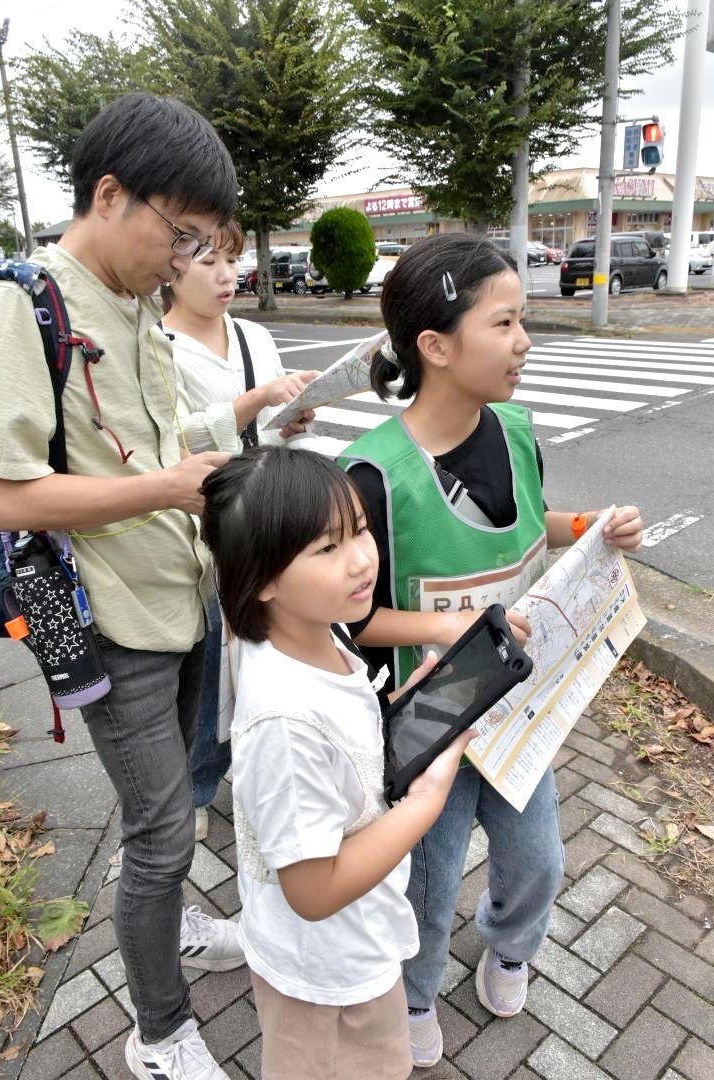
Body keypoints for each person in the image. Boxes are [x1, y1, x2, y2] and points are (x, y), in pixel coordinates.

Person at [338, 233, 644, 1068]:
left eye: (524, 319)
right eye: (505, 322)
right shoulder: (369, 479)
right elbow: (346, 621)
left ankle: (508, 950)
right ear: (435, 346)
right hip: (431, 723)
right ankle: (416, 992)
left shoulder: (516, 431)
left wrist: (590, 529)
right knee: (428, 888)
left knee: (539, 860)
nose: (525, 341)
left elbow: (531, 519)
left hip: (519, 709)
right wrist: (446, 629)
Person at [0, 94, 248, 1080]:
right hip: (111, 625)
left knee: (178, 806)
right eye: (178, 234)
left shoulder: (137, 308)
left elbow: (161, 444)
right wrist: (169, 486)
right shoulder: (26, 305)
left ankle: (171, 921)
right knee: (155, 827)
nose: (185, 260)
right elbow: (9, 496)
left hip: (180, 599)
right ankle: (158, 1031)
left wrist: (222, 465)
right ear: (109, 195)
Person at [200, 446, 475, 1080]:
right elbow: (314, 889)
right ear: (261, 576)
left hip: (348, 949)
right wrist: (428, 801)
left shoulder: (312, 628)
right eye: (326, 548)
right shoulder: (285, 722)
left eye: (360, 529)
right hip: (326, 977)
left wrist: (394, 717)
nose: (361, 558)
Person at [160, 223, 318, 841]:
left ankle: (264, 771)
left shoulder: (252, 334)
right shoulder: (159, 345)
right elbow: (172, 436)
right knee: (208, 668)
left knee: (265, 653)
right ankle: (197, 787)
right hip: (204, 532)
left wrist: (292, 420)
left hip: (266, 517)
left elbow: (272, 432)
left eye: (231, 260)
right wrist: (253, 402)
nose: (227, 275)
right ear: (173, 268)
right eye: (209, 262)